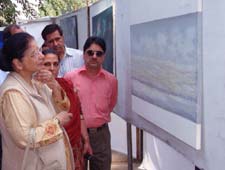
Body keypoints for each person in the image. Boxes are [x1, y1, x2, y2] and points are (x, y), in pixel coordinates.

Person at [0, 32, 74, 170]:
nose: (41, 56)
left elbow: (64, 110)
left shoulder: (37, 82)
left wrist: (55, 86)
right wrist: (57, 122)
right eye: (34, 54)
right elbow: (24, 138)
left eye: (39, 50)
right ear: (18, 64)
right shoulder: (13, 92)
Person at [64, 36, 118, 170]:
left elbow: (111, 104)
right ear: (84, 55)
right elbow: (66, 106)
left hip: (101, 136)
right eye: (90, 52)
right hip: (77, 134)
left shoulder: (111, 80)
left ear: (103, 57)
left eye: (98, 53)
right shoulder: (70, 78)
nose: (94, 56)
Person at [42, 49, 92, 170]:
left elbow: (78, 114)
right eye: (47, 64)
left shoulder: (66, 85)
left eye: (55, 64)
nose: (52, 68)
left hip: (74, 145)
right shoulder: (35, 90)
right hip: (49, 148)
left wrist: (86, 140)